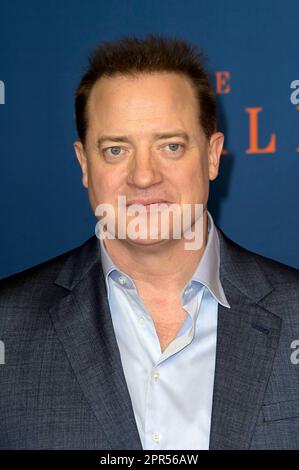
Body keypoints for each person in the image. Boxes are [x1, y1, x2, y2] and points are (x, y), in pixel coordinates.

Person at [0, 34, 298, 450]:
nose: (144, 177)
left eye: (171, 146)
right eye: (116, 150)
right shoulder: (7, 327)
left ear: (212, 156)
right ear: (84, 164)